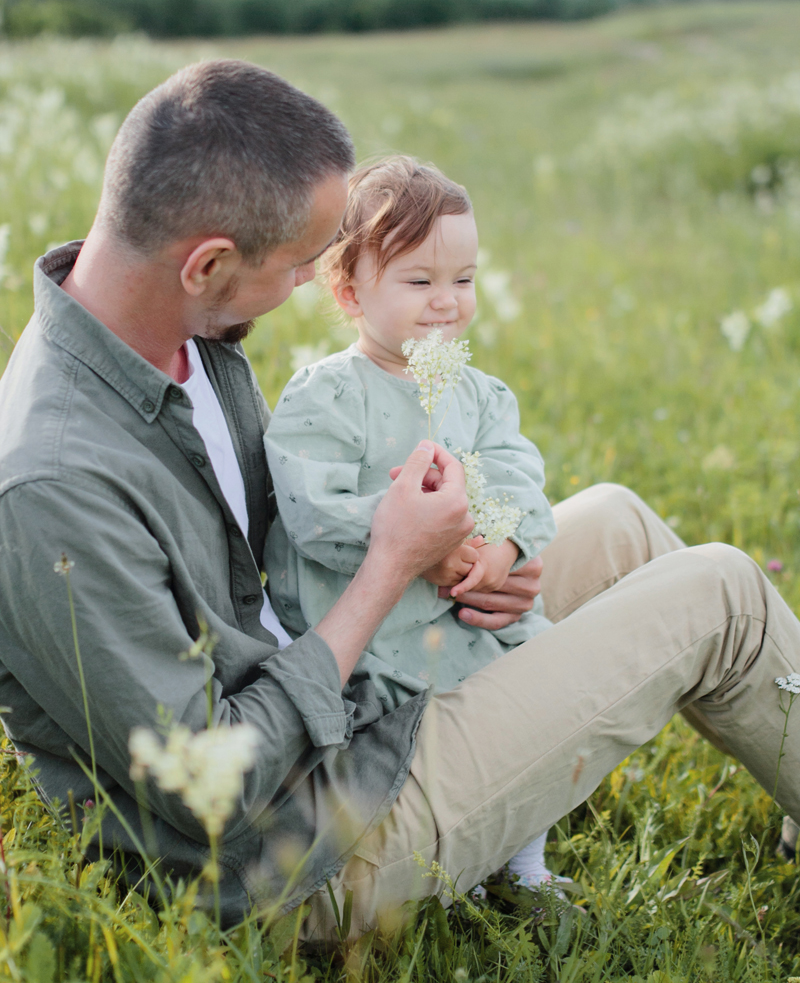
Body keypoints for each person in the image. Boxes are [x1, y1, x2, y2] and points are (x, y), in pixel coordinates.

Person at [1, 60, 800, 945]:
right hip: (305, 846)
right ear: (209, 264)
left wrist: (482, 553)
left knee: (611, 516)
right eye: (303, 262)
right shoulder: (55, 485)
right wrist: (392, 565)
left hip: (355, 682)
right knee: (722, 590)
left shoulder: (176, 333)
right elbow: (211, 791)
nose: (313, 280)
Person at [264, 155, 557, 889]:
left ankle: (525, 861)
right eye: (420, 281)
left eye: (464, 280)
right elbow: (309, 504)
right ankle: (451, 861)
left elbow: (516, 470)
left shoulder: (478, 393)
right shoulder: (326, 395)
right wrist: (416, 538)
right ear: (349, 288)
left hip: (468, 617)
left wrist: (505, 542)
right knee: (425, 739)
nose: (447, 302)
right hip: (383, 645)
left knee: (535, 701)